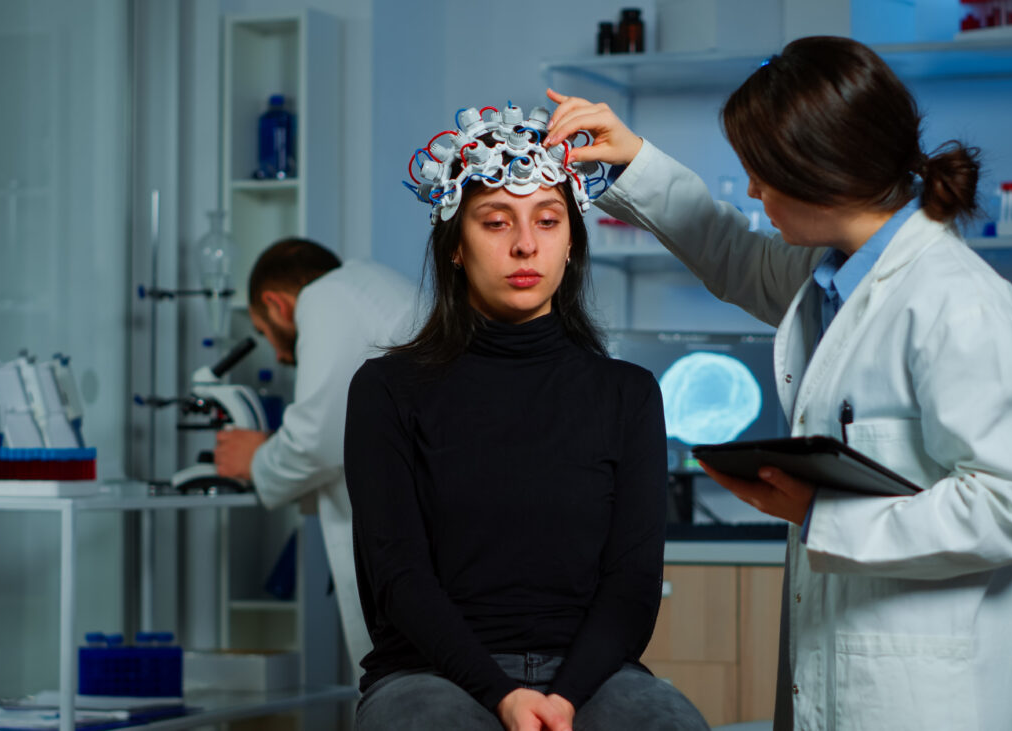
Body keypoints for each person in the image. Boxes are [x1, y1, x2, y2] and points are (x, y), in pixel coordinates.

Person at [544, 35, 1012, 731]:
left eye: (761, 173)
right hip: (837, 674)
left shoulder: (954, 301)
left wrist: (824, 514)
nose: (753, 192)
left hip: (928, 698)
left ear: (822, 172)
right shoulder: (831, 277)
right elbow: (728, 252)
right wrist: (633, 158)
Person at [343, 103, 710, 731]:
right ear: (456, 246)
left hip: (592, 676)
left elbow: (632, 586)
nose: (524, 244)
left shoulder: (628, 394)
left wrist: (562, 698)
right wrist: (502, 696)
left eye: (547, 220)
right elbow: (399, 578)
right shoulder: (387, 390)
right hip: (432, 671)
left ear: (572, 243)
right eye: (495, 222)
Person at [214, 237, 419, 671]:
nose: (277, 352)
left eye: (264, 331)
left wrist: (254, 458)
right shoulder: (371, 286)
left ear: (276, 304)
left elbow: (316, 441)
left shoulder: (325, 297)